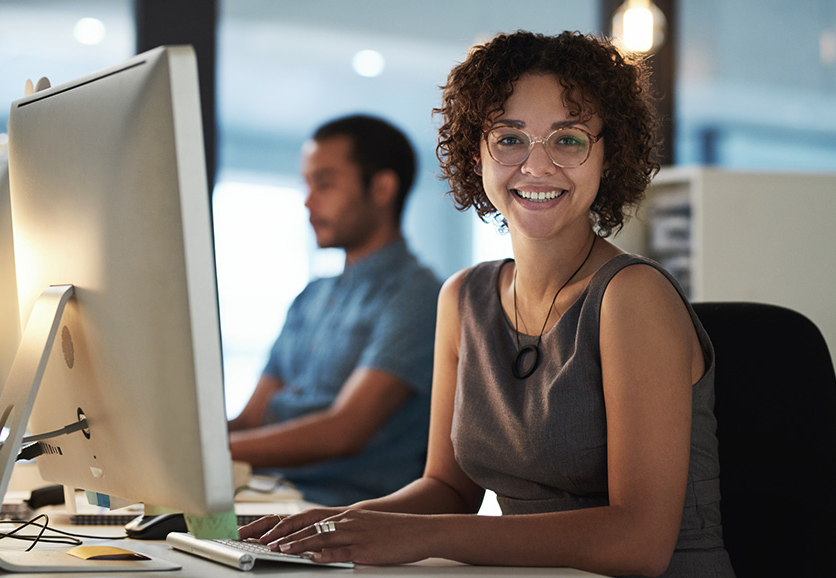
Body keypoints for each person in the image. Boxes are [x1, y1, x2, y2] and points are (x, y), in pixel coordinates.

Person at [240, 31, 736, 578]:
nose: (537, 166)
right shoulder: (463, 298)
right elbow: (449, 488)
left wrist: (421, 536)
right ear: (475, 151)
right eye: (510, 139)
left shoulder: (631, 298)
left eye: (568, 140)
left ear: (608, 155)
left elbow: (637, 542)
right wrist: (336, 524)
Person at [227, 114, 441, 507]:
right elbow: (251, 418)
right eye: (306, 185)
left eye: (324, 184)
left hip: (340, 511)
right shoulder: (312, 295)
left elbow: (345, 431)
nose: (308, 201)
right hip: (262, 494)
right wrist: (172, 447)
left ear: (382, 188)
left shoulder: (420, 296)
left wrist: (211, 455)